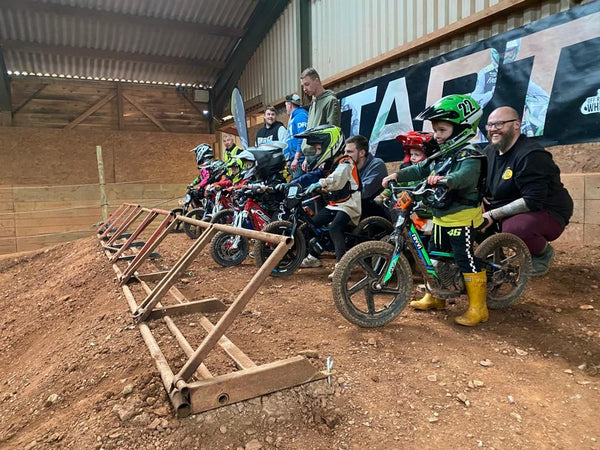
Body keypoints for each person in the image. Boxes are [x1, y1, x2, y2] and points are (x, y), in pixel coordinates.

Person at [382, 94, 488, 327]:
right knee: (436, 254)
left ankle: (478, 307)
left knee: (464, 257)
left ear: (461, 128)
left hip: (462, 217)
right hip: (441, 216)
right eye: (435, 130)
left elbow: (465, 176)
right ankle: (437, 296)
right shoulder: (442, 155)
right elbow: (420, 168)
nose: (437, 135)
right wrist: (398, 174)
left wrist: (446, 180)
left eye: (442, 130)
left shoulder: (470, 155)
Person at [481, 106, 573, 276]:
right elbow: (478, 180)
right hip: (504, 207)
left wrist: (492, 214)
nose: (493, 129)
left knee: (516, 229)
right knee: (469, 217)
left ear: (516, 124)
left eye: (499, 124)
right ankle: (495, 257)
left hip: (546, 211)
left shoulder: (531, 154)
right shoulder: (488, 152)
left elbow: (532, 200)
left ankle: (541, 253)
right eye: (490, 125)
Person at [296, 126, 361, 279]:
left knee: (334, 227)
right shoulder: (330, 164)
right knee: (312, 223)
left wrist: (320, 184)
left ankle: (342, 266)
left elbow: (336, 180)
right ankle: (313, 256)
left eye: (319, 149)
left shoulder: (346, 162)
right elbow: (315, 177)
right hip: (335, 203)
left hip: (350, 204)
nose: (317, 152)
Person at [300, 67, 341, 170]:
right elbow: (309, 131)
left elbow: (333, 132)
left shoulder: (330, 101)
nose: (304, 89)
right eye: (303, 86)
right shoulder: (313, 104)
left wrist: (326, 158)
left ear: (317, 81)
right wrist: (305, 157)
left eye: (307, 84)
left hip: (320, 157)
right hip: (309, 155)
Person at [342, 134, 388, 218]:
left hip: (374, 213)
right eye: (344, 152)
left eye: (349, 152)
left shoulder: (377, 164)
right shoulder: (348, 166)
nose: (345, 155)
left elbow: (364, 192)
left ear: (362, 153)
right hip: (355, 208)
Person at [284, 93, 308, 179]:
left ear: (290, 105)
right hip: (295, 160)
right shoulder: (293, 118)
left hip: (300, 162)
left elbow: (302, 138)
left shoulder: (300, 116)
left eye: (286, 105)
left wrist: (296, 159)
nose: (286, 108)